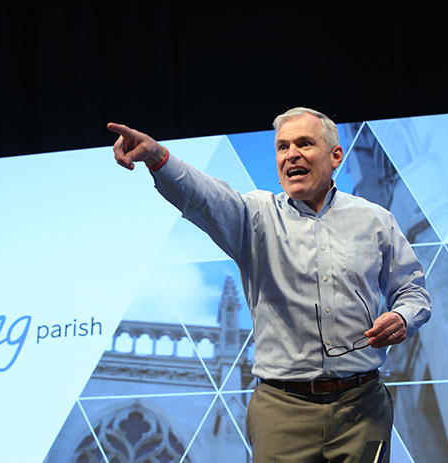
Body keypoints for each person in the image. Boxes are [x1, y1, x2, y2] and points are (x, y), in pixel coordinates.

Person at [108, 107, 431, 463]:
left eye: (304, 143)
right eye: (282, 147)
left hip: (362, 405)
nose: (291, 154)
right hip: (282, 409)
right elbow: (203, 195)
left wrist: (402, 316)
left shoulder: (375, 219)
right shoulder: (255, 217)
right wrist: (159, 157)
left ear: (336, 155)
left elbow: (412, 290)